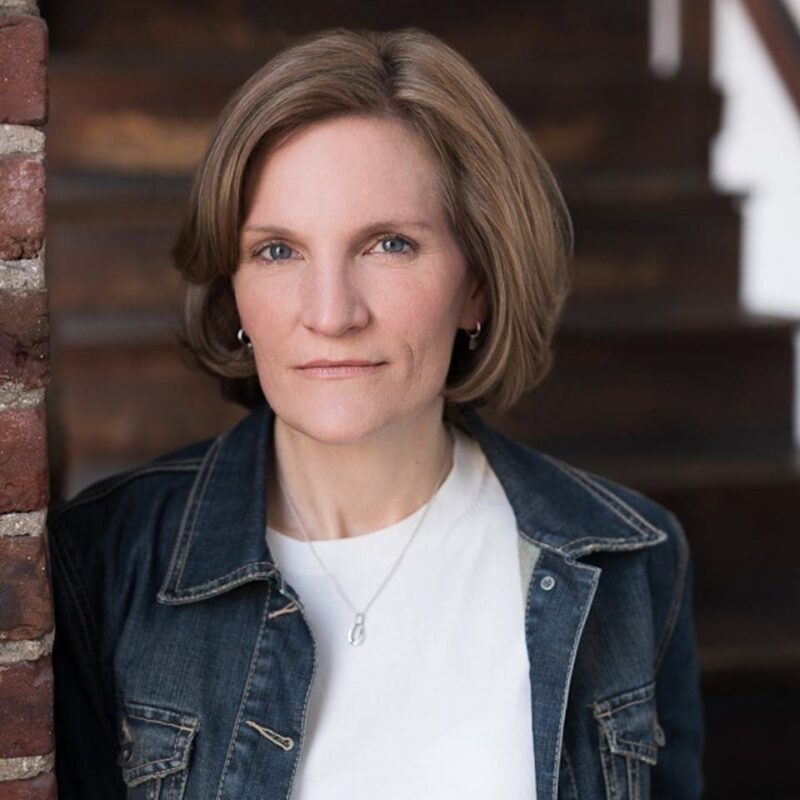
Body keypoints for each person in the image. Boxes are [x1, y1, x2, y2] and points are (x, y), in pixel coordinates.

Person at [48, 26, 705, 800]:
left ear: (479, 285)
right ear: (233, 296)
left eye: (389, 244)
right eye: (277, 251)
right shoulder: (104, 562)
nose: (330, 313)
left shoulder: (630, 561)